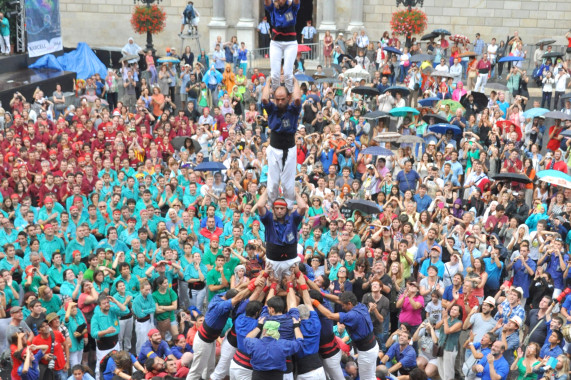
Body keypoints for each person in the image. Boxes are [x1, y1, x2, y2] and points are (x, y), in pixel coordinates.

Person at [312, 291, 379, 380]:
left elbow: (330, 316)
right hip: (373, 346)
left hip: (366, 352)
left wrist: (315, 302)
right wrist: (322, 294)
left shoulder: (352, 315)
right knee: (371, 376)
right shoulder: (360, 305)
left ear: (349, 303)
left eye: (343, 305)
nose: (342, 307)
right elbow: (338, 299)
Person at [261, 75, 302, 209]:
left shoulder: (293, 110)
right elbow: (264, 99)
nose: (279, 102)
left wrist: (295, 82)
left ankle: (289, 207)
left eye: (282, 99)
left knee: (288, 183)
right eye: (277, 99)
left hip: (289, 148)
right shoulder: (272, 109)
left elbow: (297, 99)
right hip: (274, 148)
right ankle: (271, 205)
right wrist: (268, 82)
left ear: (287, 98)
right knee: (272, 183)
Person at [264, 0, 300, 92]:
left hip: (290, 43)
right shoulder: (273, 7)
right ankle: (276, 95)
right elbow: (267, 2)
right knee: (275, 75)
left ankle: (289, 94)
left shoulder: (292, 7)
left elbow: (296, 1)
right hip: (276, 43)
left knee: (288, 73)